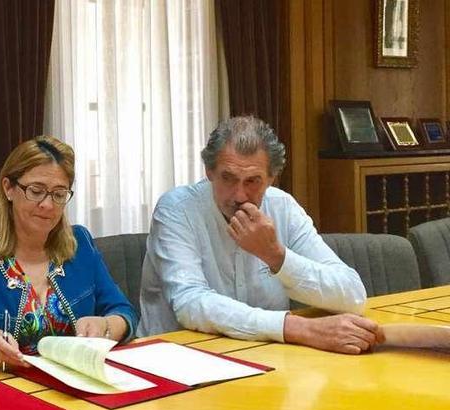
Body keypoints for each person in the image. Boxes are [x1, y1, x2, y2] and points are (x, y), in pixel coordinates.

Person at [138, 116, 384, 354]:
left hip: (263, 355)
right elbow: (190, 303)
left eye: (253, 181)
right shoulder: (177, 209)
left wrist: (276, 256)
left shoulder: (283, 207)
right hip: (179, 359)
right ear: (209, 171)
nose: (239, 196)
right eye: (228, 178)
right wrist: (296, 328)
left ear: (271, 178)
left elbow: (352, 295)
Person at [0, 136, 138, 371]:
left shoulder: (79, 243)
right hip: (1, 389)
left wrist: (106, 325)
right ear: (8, 188)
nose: (47, 205)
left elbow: (124, 312)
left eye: (59, 194)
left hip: (75, 385)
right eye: (36, 191)